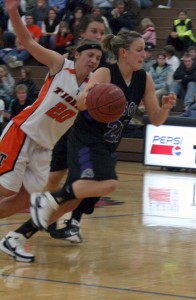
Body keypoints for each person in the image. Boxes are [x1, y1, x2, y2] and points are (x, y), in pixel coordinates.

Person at [29, 30, 175, 252]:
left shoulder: (144, 79)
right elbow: (79, 103)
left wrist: (165, 108)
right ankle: (43, 217)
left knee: (92, 184)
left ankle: (67, 221)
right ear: (124, 52)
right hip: (84, 136)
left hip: (107, 143)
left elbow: (155, 120)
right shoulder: (106, 72)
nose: (144, 54)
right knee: (69, 180)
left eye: (144, 49)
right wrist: (92, 96)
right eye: (139, 49)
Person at [0, 0, 103, 262]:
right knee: (3, 190)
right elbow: (30, 44)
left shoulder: (91, 89)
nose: (93, 60)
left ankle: (9, 243)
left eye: (98, 58)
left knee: (24, 200)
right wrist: (13, 12)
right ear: (78, 54)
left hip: (44, 146)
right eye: (90, 55)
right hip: (23, 133)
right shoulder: (60, 65)